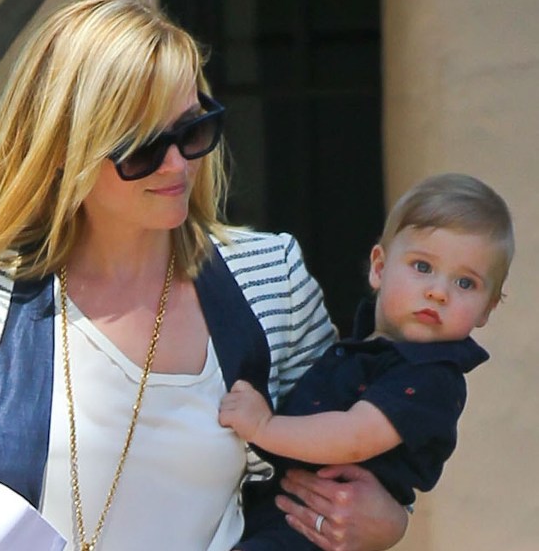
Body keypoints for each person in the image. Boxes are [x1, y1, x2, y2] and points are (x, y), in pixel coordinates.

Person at [0, 0, 407, 551]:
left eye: (192, 131)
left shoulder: (272, 278)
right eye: (142, 148)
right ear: (63, 148)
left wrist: (389, 518)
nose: (177, 164)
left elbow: (349, 470)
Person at [220, 173, 514, 528]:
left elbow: (355, 437)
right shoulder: (367, 347)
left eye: (465, 283)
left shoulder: (431, 376)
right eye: (423, 267)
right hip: (278, 505)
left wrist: (262, 426)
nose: (438, 292)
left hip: (316, 523)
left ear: (487, 309)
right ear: (379, 267)